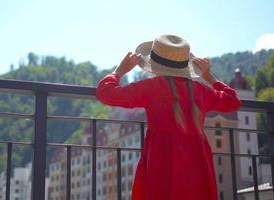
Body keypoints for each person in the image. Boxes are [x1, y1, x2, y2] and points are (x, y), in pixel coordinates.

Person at [95, 34, 242, 200]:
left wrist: (120, 70)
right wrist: (209, 76)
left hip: (161, 160)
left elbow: (105, 93)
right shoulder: (200, 90)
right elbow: (233, 102)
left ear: (154, 64)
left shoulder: (152, 87)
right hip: (197, 162)